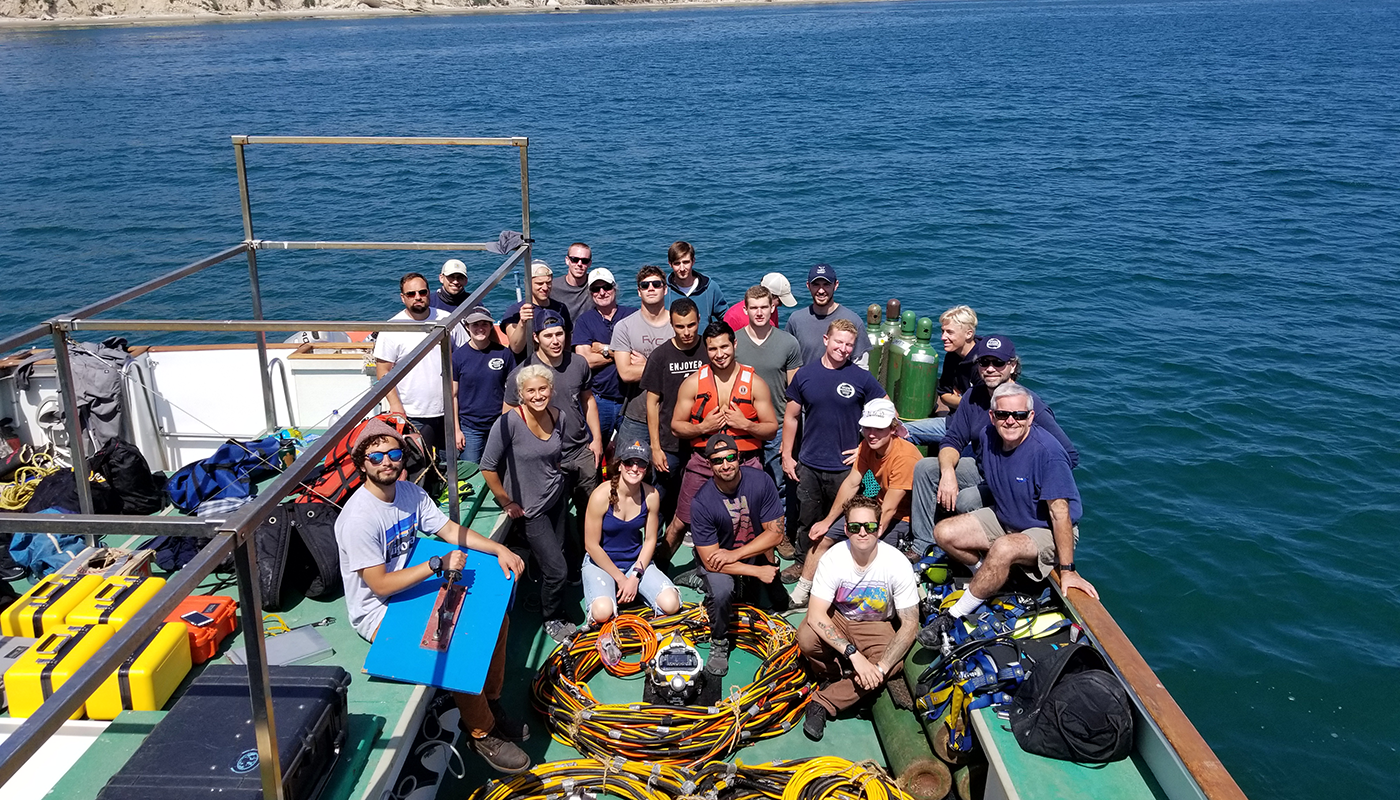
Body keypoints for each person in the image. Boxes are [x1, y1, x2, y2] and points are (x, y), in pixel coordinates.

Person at [335, 420, 530, 773]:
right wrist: (436, 564)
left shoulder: (410, 493)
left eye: (393, 453)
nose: (386, 462)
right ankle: (481, 732)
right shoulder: (358, 519)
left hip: (415, 589)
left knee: (494, 618)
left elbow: (449, 529)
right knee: (455, 644)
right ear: (362, 463)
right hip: (379, 610)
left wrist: (497, 548)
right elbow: (378, 585)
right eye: (376, 456)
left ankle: (491, 700)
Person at [924, 383, 1098, 642]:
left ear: (1030, 417)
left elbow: (1060, 515)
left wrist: (1068, 569)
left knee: (1004, 548)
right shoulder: (987, 436)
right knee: (944, 532)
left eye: (1018, 415)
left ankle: (953, 616)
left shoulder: (1048, 453)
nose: (1010, 421)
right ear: (992, 416)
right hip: (1006, 518)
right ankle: (988, 579)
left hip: (1046, 529)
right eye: (1003, 414)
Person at [909, 335, 1079, 551]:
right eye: (983, 362)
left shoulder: (1026, 404)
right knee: (925, 468)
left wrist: (1022, 484)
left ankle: (977, 553)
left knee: (967, 500)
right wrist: (948, 472)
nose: (990, 368)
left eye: (998, 363)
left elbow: (1068, 456)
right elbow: (953, 439)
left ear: (1012, 365)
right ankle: (923, 545)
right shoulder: (973, 396)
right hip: (981, 467)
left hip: (1013, 480)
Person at [797, 495, 920, 741]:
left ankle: (824, 701)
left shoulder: (896, 563)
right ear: (846, 529)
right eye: (855, 527)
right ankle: (832, 675)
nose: (862, 533)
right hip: (839, 616)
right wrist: (854, 655)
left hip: (876, 624)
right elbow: (817, 614)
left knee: (892, 664)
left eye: (870, 526)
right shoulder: (833, 558)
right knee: (806, 638)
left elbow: (909, 623)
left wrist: (879, 668)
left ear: (880, 528)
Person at [789, 398, 922, 607]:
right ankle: (801, 592)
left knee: (868, 551)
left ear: (893, 428)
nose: (871, 434)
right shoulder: (867, 446)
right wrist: (827, 520)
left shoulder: (905, 457)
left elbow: (890, 508)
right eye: (867, 427)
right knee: (823, 537)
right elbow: (852, 483)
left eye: (879, 428)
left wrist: (868, 533)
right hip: (873, 504)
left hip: (900, 517)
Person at [780, 319, 886, 583]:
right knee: (808, 518)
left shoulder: (862, 378)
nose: (843, 348)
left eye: (849, 345)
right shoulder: (805, 375)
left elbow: (885, 410)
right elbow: (791, 417)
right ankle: (803, 562)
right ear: (826, 340)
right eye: (839, 342)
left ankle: (841, 565)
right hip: (810, 463)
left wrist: (863, 446)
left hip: (846, 467)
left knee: (845, 519)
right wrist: (786, 454)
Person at [481, 365, 578, 643]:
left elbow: (555, 456)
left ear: (551, 389)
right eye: (530, 391)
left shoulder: (557, 416)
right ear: (521, 395)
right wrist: (506, 500)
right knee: (557, 569)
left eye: (542, 389)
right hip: (530, 510)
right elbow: (487, 467)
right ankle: (552, 617)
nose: (538, 395)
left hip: (556, 498)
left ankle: (546, 593)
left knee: (555, 553)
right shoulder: (509, 422)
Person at [667, 321, 779, 560]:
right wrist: (703, 427)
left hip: (746, 462)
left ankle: (771, 582)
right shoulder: (693, 383)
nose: (719, 354)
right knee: (680, 521)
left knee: (761, 524)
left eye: (724, 347)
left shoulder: (755, 384)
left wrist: (746, 425)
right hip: (703, 462)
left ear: (734, 344)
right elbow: (676, 425)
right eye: (712, 349)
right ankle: (657, 567)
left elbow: (771, 428)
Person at [688, 434, 788, 676]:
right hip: (717, 561)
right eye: (718, 460)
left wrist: (737, 554)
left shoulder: (761, 481)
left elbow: (775, 534)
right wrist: (756, 570)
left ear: (739, 457)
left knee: (777, 602)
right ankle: (719, 641)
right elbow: (713, 561)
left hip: (740, 553)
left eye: (730, 457)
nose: (725, 465)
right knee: (723, 591)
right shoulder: (702, 503)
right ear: (709, 465)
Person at [503, 310, 603, 550]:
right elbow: (508, 414)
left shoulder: (578, 363)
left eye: (560, 334)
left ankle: (588, 555)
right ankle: (561, 560)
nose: (556, 341)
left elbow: (588, 401)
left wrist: (597, 439)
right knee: (554, 515)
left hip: (580, 450)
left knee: (590, 507)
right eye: (548, 335)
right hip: (546, 457)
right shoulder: (522, 372)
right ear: (536, 337)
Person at [731, 284, 803, 548]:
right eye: (754, 308)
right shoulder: (735, 343)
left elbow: (794, 391)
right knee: (740, 479)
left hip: (779, 423)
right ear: (746, 308)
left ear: (773, 307)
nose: (759, 313)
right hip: (741, 425)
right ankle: (744, 530)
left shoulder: (788, 343)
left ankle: (778, 530)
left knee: (778, 481)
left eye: (764, 307)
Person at [581, 439, 681, 626]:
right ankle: (620, 595)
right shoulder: (600, 495)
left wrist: (634, 576)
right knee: (602, 613)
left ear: (646, 469)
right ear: (619, 466)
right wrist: (621, 579)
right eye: (629, 462)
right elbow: (591, 546)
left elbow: (650, 540)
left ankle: (633, 594)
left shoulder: (651, 496)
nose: (634, 468)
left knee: (671, 604)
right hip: (601, 564)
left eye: (641, 463)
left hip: (634, 563)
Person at [373, 272, 468, 459]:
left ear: (429, 293)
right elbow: (383, 372)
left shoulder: (447, 319)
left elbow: (465, 355)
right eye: (411, 294)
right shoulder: (392, 329)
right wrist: (396, 406)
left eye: (422, 292)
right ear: (403, 298)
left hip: (449, 409)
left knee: (451, 462)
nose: (417, 297)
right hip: (411, 412)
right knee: (418, 463)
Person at [637, 299, 708, 523]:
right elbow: (652, 404)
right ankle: (656, 545)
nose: (686, 332)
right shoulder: (660, 356)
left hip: (704, 439)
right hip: (670, 442)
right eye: (680, 326)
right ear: (671, 324)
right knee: (661, 495)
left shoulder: (709, 349)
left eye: (691, 325)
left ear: (699, 321)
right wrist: (655, 447)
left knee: (703, 494)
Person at [611, 265, 675, 452]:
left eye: (656, 284)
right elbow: (626, 373)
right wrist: (668, 368)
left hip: (673, 413)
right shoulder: (624, 327)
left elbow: (688, 370)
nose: (651, 288)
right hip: (636, 415)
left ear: (665, 289)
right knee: (627, 467)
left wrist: (647, 365)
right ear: (639, 292)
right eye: (645, 285)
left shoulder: (678, 325)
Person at [572, 267, 637, 442]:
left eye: (606, 287)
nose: (602, 292)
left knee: (632, 454)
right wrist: (619, 352)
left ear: (614, 288)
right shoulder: (585, 321)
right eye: (595, 289)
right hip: (599, 400)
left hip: (630, 399)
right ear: (590, 293)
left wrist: (601, 348)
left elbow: (639, 354)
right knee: (594, 451)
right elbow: (585, 360)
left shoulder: (632, 315)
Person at [904, 305, 980, 446]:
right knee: (902, 431)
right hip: (954, 421)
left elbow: (981, 406)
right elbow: (944, 395)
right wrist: (965, 401)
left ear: (969, 334)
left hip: (975, 429)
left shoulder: (984, 361)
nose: (943, 337)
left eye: (949, 332)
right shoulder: (952, 355)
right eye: (943, 331)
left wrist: (959, 400)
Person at [451, 306, 517, 464]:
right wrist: (457, 430)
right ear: (467, 327)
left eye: (484, 324)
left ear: (490, 326)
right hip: (470, 428)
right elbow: (452, 395)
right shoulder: (457, 357)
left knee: (501, 467)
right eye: (475, 324)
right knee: (471, 471)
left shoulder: (504, 353)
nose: (480, 328)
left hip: (499, 424)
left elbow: (513, 391)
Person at [785, 263, 871, 369]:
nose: (821, 291)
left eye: (826, 284)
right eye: (816, 284)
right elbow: (787, 360)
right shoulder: (796, 320)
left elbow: (861, 366)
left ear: (836, 285)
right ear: (808, 286)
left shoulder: (854, 320)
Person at [502, 260, 572, 355]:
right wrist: (522, 323)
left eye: (548, 283)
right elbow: (516, 348)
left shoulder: (560, 308)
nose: (545, 288)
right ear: (528, 283)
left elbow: (567, 338)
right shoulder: (515, 311)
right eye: (539, 283)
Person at [662, 241, 727, 324]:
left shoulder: (710, 287)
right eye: (677, 264)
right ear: (670, 264)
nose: (682, 268)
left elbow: (725, 317)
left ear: (693, 261)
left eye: (686, 262)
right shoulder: (662, 290)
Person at [722, 272, 797, 333]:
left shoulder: (773, 309)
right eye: (780, 301)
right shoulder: (733, 316)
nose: (781, 305)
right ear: (771, 295)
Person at [551, 242, 596, 323]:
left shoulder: (596, 285)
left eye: (584, 261)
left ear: (589, 263)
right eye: (575, 260)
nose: (579, 264)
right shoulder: (552, 287)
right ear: (567, 260)